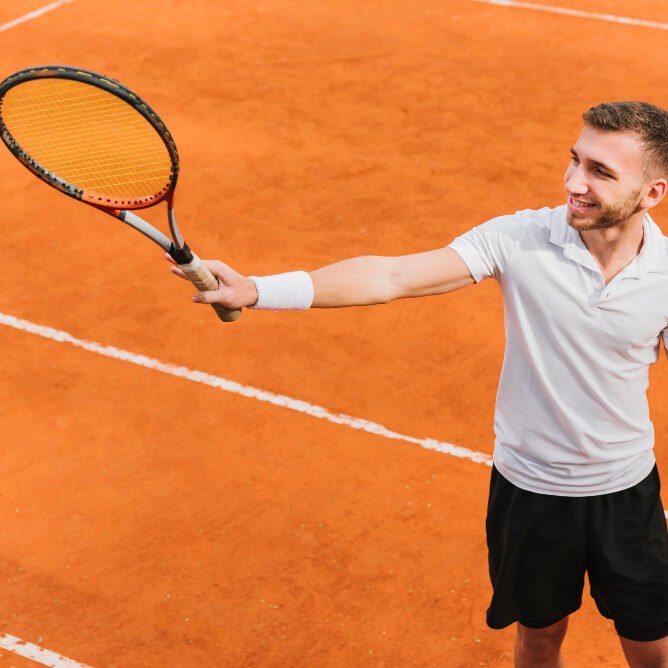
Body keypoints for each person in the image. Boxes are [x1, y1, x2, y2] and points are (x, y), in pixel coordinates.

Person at [169, 101, 668, 667]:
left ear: (652, 193)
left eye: (601, 172)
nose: (574, 182)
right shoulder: (519, 239)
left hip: (625, 491)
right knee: (538, 636)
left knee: (652, 648)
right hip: (530, 490)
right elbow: (391, 275)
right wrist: (261, 289)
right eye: (575, 160)